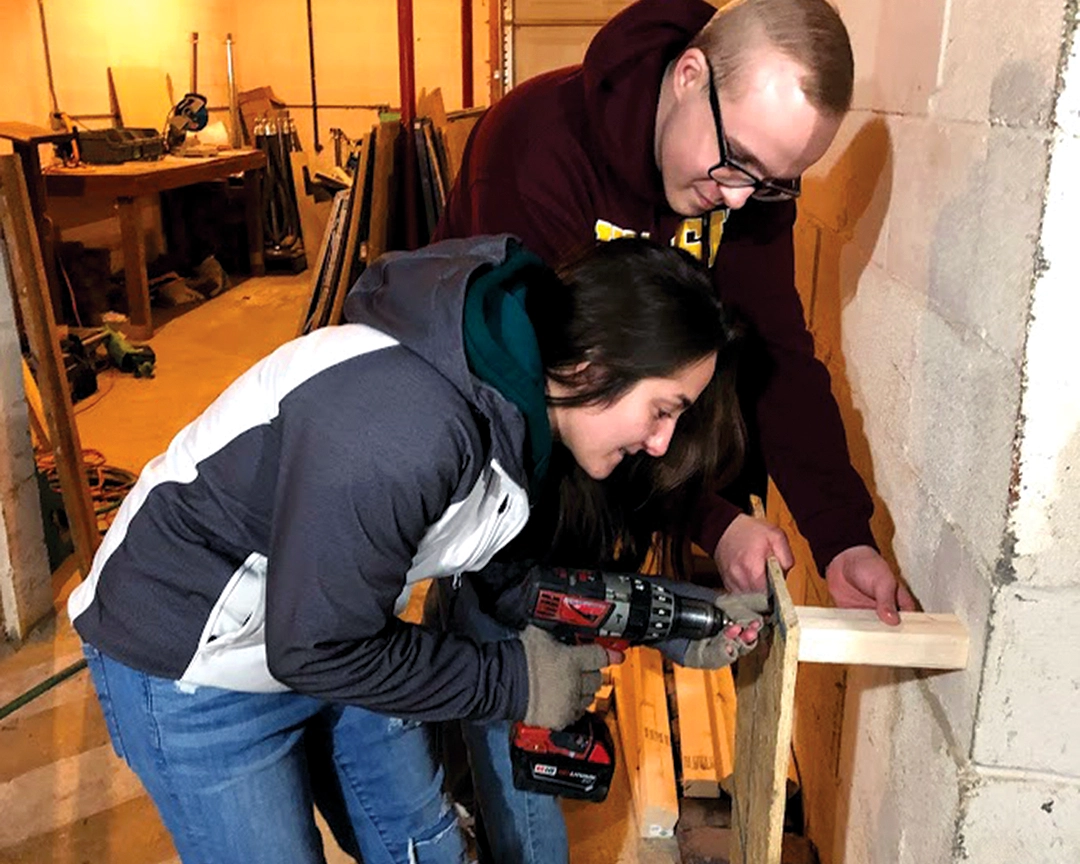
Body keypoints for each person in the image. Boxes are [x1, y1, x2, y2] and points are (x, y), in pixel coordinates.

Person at [67, 234, 763, 864]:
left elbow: (509, 578)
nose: (662, 441)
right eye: (665, 409)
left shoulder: (521, 419)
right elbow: (314, 649)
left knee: (426, 847)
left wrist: (673, 616)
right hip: (193, 658)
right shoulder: (410, 428)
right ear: (594, 361)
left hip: (333, 626)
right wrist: (513, 682)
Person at [433, 0, 917, 861]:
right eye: (736, 166)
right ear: (690, 76)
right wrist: (706, 517)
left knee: (562, 668)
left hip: (610, 450)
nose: (739, 197)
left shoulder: (746, 179)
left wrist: (842, 537)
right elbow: (548, 405)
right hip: (501, 450)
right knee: (509, 676)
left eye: (770, 183)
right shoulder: (536, 146)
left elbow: (775, 357)